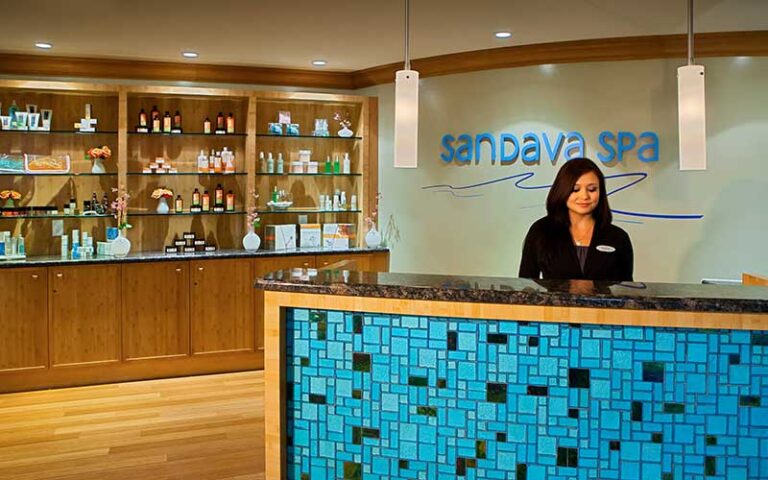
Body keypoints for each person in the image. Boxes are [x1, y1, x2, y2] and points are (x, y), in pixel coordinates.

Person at [518, 157, 633, 281]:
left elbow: (626, 290)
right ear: (562, 190)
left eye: (592, 189)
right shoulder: (541, 231)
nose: (584, 196)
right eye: (575, 189)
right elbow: (526, 286)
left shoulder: (618, 237)